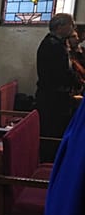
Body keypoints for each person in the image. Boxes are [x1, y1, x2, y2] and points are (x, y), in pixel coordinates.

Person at [37, 12, 79, 161]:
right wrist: (77, 83)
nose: (73, 28)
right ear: (60, 27)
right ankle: (49, 165)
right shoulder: (52, 45)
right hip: (52, 99)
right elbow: (61, 72)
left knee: (57, 132)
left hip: (56, 97)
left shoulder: (57, 43)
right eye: (71, 24)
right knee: (51, 134)